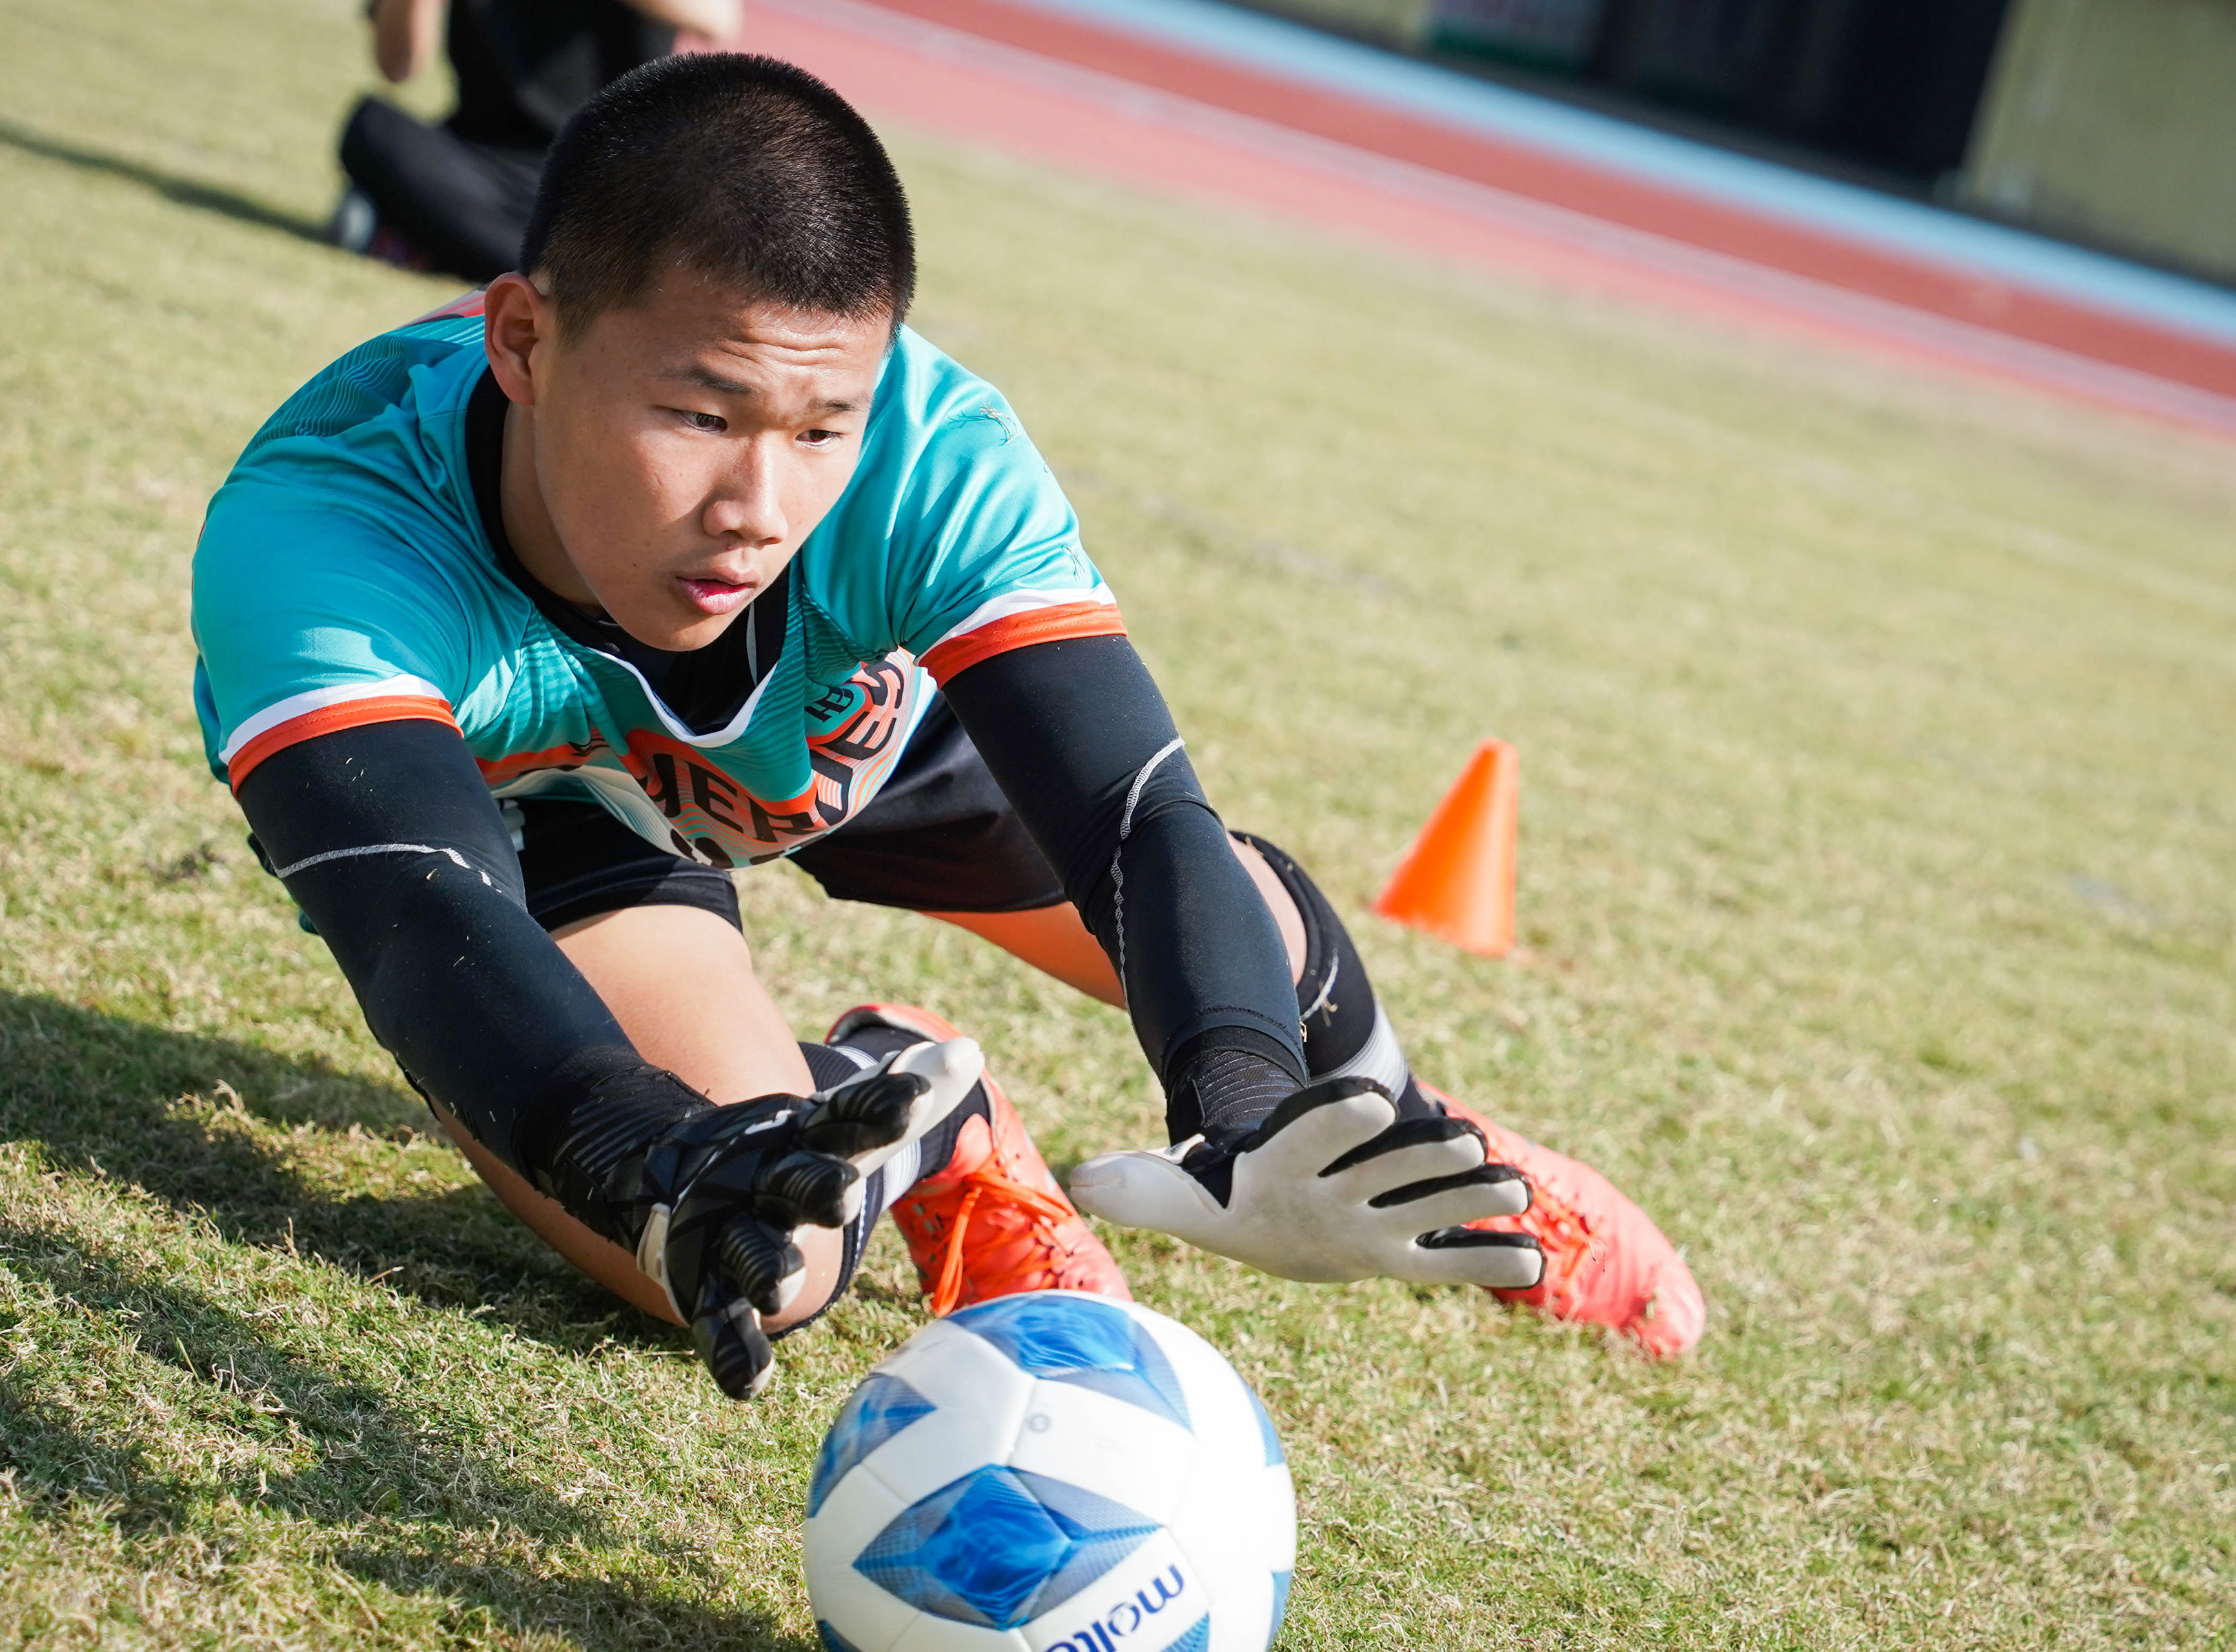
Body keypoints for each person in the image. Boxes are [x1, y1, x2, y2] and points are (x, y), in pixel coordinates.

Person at [195, 53, 1705, 1400]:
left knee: (1251, 982)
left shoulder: (928, 444)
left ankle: (1426, 1130)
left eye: (818, 429)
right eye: (701, 415)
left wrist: (1249, 1107)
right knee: (740, 1256)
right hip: (547, 828)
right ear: (523, 340)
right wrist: (640, 1149)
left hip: (836, 733)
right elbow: (418, 913)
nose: (757, 506)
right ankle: (924, 1111)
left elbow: (1135, 812)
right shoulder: (328, 529)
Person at [332, 0, 743, 283]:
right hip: (475, 161)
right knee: (373, 130)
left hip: (594, 180)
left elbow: (717, 16)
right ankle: (563, 272)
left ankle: (425, 236)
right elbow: (396, 66)